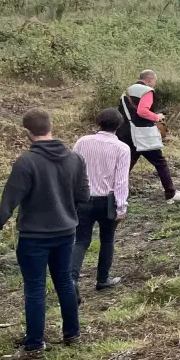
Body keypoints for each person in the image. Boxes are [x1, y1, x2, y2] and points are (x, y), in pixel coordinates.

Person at [0, 109, 90, 357]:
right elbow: (84, 197)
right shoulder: (75, 158)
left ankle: (35, 345)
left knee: (35, 288)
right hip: (66, 232)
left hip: (34, 237)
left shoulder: (26, 162)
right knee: (65, 282)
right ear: (51, 126)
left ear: (27, 132)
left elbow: (8, 203)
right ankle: (72, 333)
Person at [71, 109, 131, 292]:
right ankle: (102, 279)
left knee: (81, 240)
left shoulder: (82, 142)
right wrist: (121, 207)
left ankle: (71, 279)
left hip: (82, 199)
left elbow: (72, 169)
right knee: (107, 239)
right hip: (107, 201)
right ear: (119, 125)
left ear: (99, 122)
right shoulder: (122, 148)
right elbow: (120, 180)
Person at [119, 71, 180, 203]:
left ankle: (116, 195)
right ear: (150, 80)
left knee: (126, 165)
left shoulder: (127, 91)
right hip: (142, 134)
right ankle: (170, 193)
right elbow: (142, 111)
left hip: (125, 132)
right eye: (154, 82)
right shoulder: (147, 91)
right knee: (160, 162)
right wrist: (157, 117)